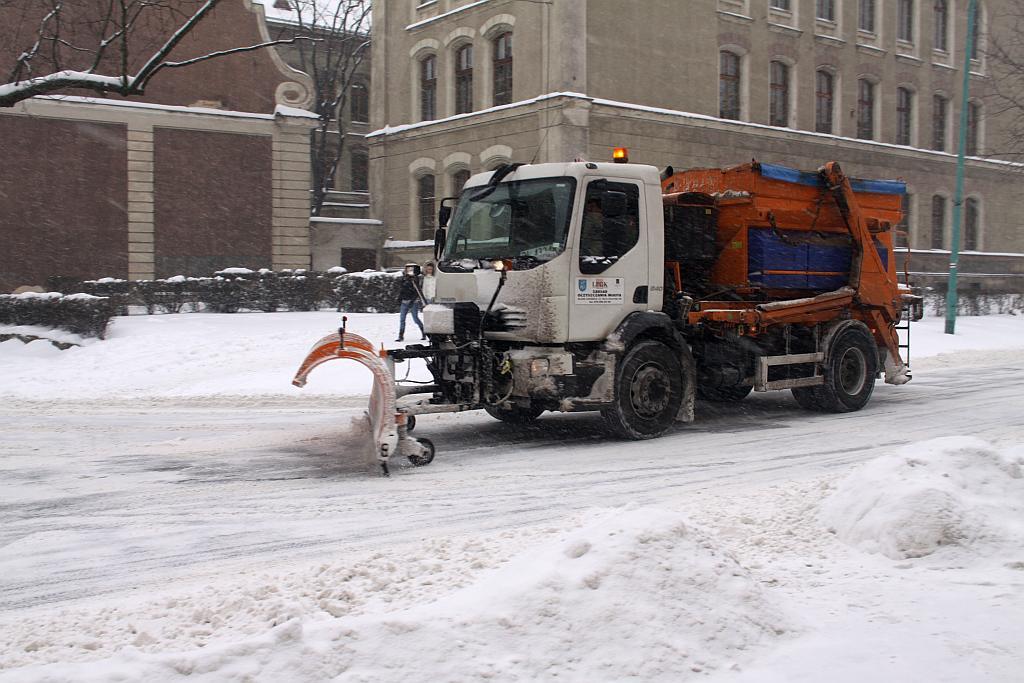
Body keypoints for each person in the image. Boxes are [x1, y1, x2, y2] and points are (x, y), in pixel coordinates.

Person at [396, 263, 425, 342]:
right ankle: (401, 336)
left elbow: (417, 291)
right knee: (402, 319)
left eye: (411, 269)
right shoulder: (404, 278)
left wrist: (412, 301)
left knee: (415, 318)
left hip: (413, 302)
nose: (409, 270)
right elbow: (402, 290)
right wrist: (399, 299)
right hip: (404, 302)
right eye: (407, 269)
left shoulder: (415, 279)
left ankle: (424, 332)